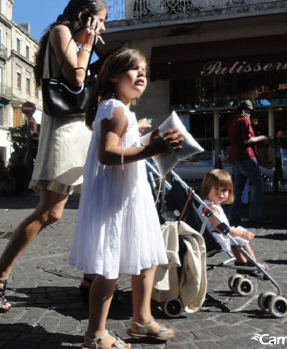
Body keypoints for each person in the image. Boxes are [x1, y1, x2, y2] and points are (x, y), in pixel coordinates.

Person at [0, 0, 107, 312]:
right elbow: (75, 79)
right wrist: (88, 41)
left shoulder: (74, 41)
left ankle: (92, 278)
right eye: (100, 21)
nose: (102, 28)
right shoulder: (62, 33)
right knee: (50, 212)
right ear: (87, 15)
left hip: (83, 131)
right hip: (64, 131)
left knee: (97, 205)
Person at [69, 48, 181, 348]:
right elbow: (108, 154)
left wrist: (146, 138)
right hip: (116, 198)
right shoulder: (115, 109)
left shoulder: (120, 110)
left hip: (130, 195)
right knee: (108, 268)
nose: (142, 73)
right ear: (114, 76)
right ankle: (95, 334)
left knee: (146, 257)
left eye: (144, 69)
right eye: (134, 68)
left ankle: (141, 320)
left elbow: (122, 143)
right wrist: (151, 149)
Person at [200, 169, 269, 272]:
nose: (221, 194)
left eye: (224, 190)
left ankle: (242, 262)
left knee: (235, 238)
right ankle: (254, 263)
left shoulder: (207, 204)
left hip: (214, 235)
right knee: (239, 236)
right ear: (207, 189)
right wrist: (242, 234)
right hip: (216, 238)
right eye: (216, 189)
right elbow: (220, 227)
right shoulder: (211, 208)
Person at [227, 100, 272, 224]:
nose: (250, 113)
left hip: (236, 158)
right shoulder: (244, 120)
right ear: (245, 110)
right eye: (250, 111)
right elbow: (248, 141)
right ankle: (255, 214)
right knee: (258, 182)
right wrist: (262, 137)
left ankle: (232, 215)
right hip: (246, 156)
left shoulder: (233, 121)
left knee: (238, 187)